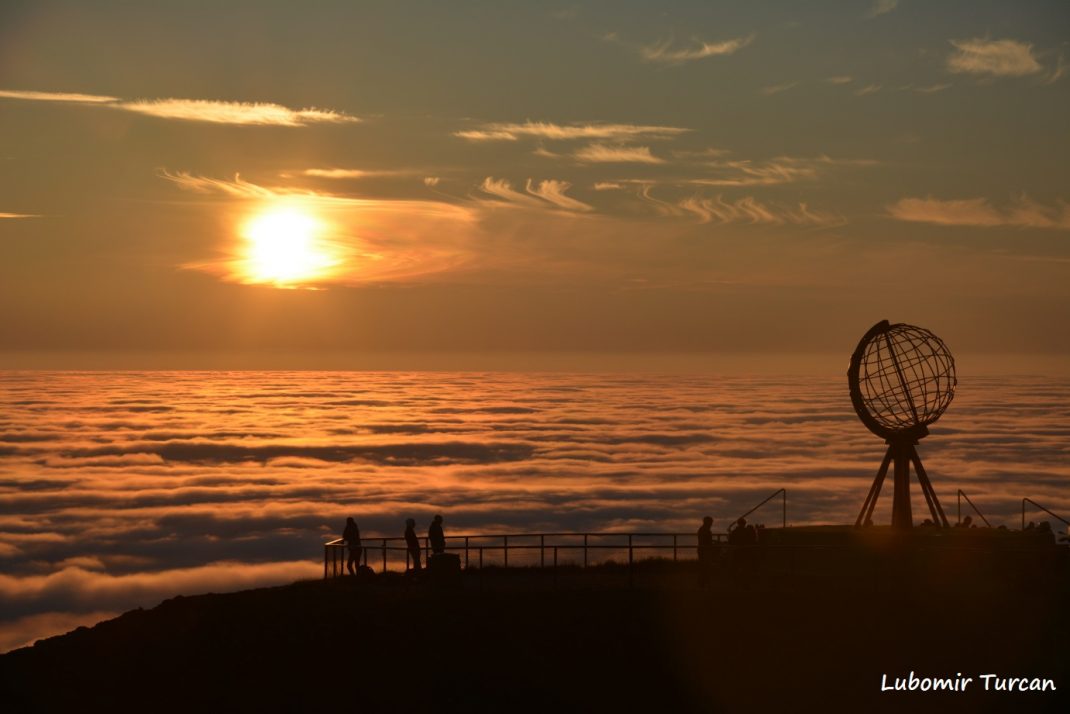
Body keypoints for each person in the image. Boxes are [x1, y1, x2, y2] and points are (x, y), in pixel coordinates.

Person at [697, 516, 716, 586]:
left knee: (704, 567)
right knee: (705, 567)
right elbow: (706, 541)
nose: (711, 524)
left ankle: (703, 582)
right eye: (711, 522)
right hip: (704, 551)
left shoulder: (702, 529)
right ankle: (704, 582)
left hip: (703, 550)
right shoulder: (706, 530)